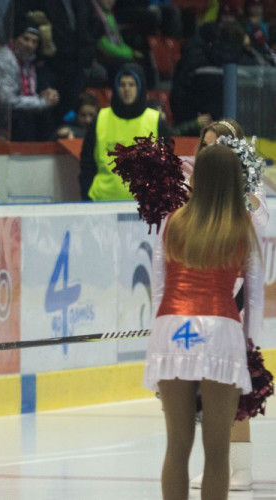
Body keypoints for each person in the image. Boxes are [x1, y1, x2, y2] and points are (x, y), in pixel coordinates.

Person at [144, 143, 263, 499]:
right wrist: (249, 347)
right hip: (220, 331)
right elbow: (254, 298)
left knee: (176, 447)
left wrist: (160, 333)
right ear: (234, 181)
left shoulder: (173, 221)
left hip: (171, 329)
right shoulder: (243, 226)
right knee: (217, 452)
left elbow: (158, 287)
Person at [183, 119, 269, 492]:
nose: (209, 150)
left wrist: (246, 186)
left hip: (233, 298)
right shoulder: (193, 187)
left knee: (237, 386)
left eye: (218, 144)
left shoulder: (245, 188)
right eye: (206, 144)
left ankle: (242, 466)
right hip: (201, 298)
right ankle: (217, 463)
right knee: (207, 387)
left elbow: (260, 216)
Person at [79, 62, 172, 200]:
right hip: (102, 202)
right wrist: (87, 195)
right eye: (122, 85)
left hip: (144, 205)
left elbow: (166, 167)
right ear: (116, 88)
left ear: (140, 87)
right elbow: (87, 163)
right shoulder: (100, 119)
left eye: (131, 84)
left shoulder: (156, 121)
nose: (127, 89)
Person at [0, 16, 60, 141]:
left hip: (1, 113)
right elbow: (6, 101)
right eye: (26, 39)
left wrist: (45, 95)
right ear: (15, 39)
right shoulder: (3, 61)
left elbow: (27, 94)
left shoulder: (27, 62)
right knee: (24, 116)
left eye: (34, 42)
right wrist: (40, 102)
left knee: (45, 115)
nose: (30, 45)